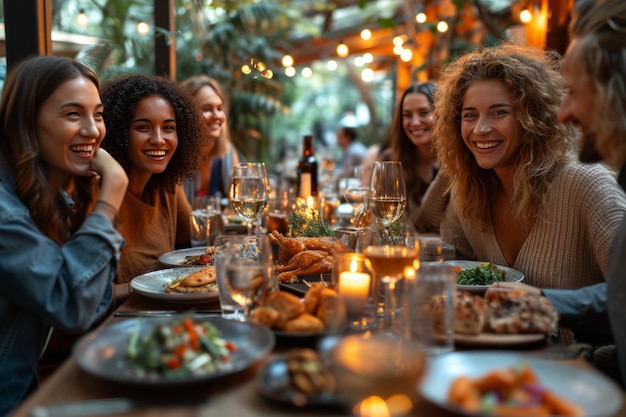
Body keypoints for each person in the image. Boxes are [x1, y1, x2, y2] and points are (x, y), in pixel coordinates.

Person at [425, 43, 626, 333]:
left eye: (499, 112)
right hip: (493, 361)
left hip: (579, 370)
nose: (480, 129)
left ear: (534, 118)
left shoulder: (588, 186)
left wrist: (557, 311)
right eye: (469, 115)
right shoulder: (468, 190)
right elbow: (456, 270)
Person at [0, 56, 128, 415]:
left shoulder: (50, 199)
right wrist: (110, 199)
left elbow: (93, 302)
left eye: (98, 114)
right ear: (26, 123)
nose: (93, 130)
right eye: (73, 114)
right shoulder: (5, 212)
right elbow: (71, 306)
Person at [101, 73, 202, 294]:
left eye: (168, 128)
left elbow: (198, 244)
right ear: (120, 132)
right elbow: (92, 298)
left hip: (168, 315)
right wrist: (163, 286)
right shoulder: (100, 192)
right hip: (120, 323)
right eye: (143, 127)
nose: (158, 139)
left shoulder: (167, 188)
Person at [179, 75, 245, 204]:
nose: (217, 116)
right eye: (207, 109)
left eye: (219, 108)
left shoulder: (228, 154)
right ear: (185, 115)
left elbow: (236, 210)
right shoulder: (174, 160)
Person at [387, 82, 439, 229]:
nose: (415, 122)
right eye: (407, 115)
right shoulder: (393, 162)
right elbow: (387, 224)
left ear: (442, 114)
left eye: (424, 113)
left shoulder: (458, 164)